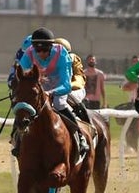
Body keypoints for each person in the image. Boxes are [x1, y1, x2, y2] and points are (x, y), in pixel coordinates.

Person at [15, 27, 88, 159]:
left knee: (59, 104)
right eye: (38, 50)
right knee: (23, 104)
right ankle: (17, 140)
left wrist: (50, 92)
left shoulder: (61, 54)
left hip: (59, 83)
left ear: (51, 47)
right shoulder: (29, 54)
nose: (41, 53)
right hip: (40, 83)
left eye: (45, 50)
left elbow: (66, 85)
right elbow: (22, 75)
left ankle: (80, 136)